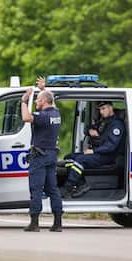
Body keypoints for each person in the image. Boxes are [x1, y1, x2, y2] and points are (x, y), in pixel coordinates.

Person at [21, 77, 63, 232]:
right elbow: (52, 101)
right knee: (53, 189)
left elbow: (26, 118)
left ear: (44, 102)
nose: (36, 102)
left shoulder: (43, 116)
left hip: (39, 157)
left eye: (38, 100)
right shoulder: (56, 114)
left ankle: (34, 223)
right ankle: (58, 223)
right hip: (51, 155)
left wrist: (24, 101)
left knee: (36, 189)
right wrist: (43, 89)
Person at [61, 101, 125, 198]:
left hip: (108, 156)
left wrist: (94, 151)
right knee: (69, 157)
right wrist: (89, 131)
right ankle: (82, 184)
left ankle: (68, 186)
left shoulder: (117, 125)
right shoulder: (104, 121)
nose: (101, 112)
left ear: (111, 108)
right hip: (99, 153)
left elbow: (111, 147)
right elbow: (88, 128)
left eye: (103, 109)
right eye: (100, 110)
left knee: (80, 160)